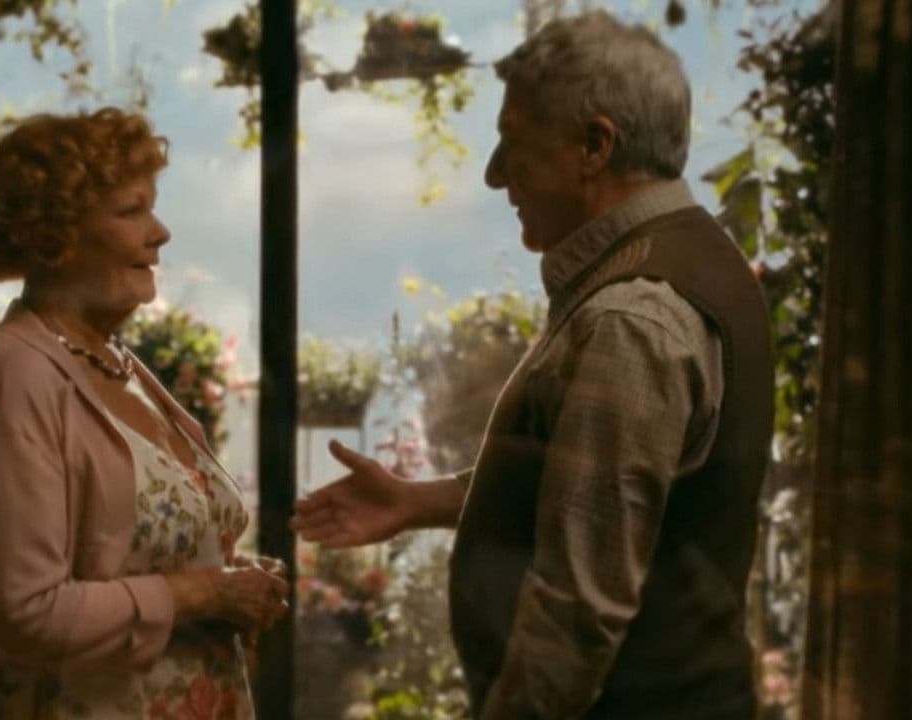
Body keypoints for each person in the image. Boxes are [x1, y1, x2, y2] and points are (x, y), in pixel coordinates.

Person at [293, 11, 772, 720]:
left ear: (594, 146)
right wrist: (421, 501)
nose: (494, 175)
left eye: (513, 143)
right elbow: (596, 488)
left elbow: (575, 613)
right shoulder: (687, 261)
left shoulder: (632, 317)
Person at [0, 107, 287, 719]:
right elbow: (23, 611)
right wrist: (202, 593)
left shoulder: (115, 361)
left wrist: (231, 585)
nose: (161, 233)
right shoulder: (16, 375)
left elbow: (127, 558)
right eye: (132, 211)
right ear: (56, 236)